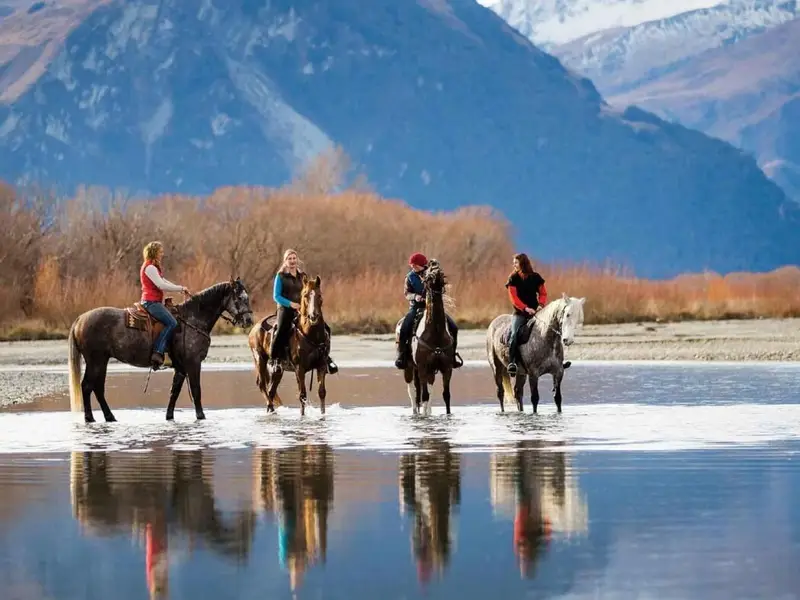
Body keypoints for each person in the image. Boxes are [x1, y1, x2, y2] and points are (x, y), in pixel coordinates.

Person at [270, 249, 338, 374]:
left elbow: (309, 293)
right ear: (285, 261)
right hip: (285, 309)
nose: (292, 261)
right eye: (289, 259)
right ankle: (274, 360)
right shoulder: (280, 277)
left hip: (302, 310)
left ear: (297, 260)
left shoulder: (303, 276)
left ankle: (326, 358)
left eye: (294, 258)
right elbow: (276, 296)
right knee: (281, 329)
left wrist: (308, 305)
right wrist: (291, 304)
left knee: (325, 328)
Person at [395, 252, 462, 369]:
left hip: (433, 307)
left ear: (422, 265)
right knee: (405, 327)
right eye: (412, 265)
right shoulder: (409, 277)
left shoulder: (433, 274)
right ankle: (402, 356)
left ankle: (452, 356)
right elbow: (407, 293)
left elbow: (441, 288)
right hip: (416, 307)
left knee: (454, 327)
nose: (413, 267)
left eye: (415, 265)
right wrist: (415, 297)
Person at [140, 241, 191, 369]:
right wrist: (180, 288)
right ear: (154, 252)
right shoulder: (150, 268)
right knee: (172, 323)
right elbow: (161, 285)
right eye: (160, 252)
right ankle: (158, 351)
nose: (162, 254)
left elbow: (163, 281)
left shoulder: (152, 267)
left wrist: (180, 288)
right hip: (150, 302)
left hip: (153, 301)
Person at [505, 253, 547, 377]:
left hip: (536, 312)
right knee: (514, 334)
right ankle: (512, 363)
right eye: (514, 262)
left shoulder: (536, 277)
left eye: (516, 262)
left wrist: (541, 305)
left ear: (523, 263)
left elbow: (543, 293)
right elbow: (514, 299)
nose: (514, 264)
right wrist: (525, 308)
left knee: (550, 330)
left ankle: (556, 360)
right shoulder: (513, 278)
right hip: (520, 314)